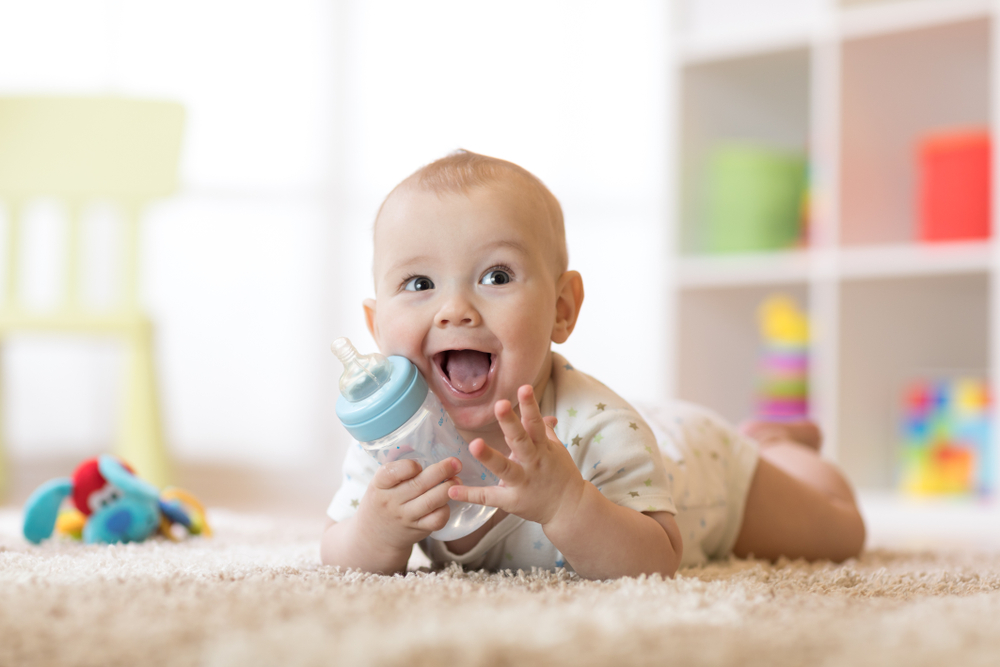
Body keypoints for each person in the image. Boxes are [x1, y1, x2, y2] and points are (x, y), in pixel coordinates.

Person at [320, 150, 865, 579]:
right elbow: (338, 549)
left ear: (562, 309)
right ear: (376, 327)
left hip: (700, 466)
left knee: (840, 533)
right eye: (419, 283)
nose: (455, 309)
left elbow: (657, 560)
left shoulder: (600, 427)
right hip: (653, 434)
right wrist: (375, 530)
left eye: (496, 276)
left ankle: (774, 445)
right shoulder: (396, 440)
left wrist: (568, 503)